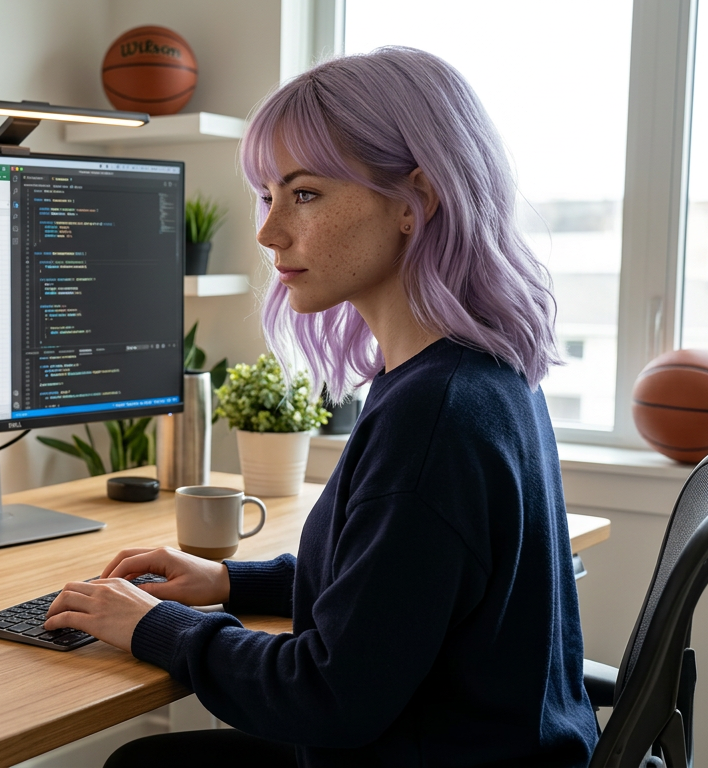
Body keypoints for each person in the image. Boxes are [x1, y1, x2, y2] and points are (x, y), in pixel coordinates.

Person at [45, 47, 596, 767]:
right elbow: (392, 590)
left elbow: (329, 695)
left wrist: (159, 626)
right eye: (267, 195)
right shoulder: (475, 373)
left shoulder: (435, 416)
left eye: (303, 194)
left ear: (415, 200)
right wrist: (231, 581)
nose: (270, 232)